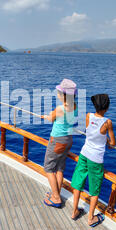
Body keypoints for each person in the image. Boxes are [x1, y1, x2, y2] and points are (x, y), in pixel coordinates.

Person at [70, 94, 116, 227]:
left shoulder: (88, 116)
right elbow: (112, 143)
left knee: (78, 182)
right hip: (96, 158)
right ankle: (90, 218)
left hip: (84, 153)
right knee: (94, 188)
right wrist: (106, 139)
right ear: (106, 108)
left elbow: (92, 131)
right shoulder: (107, 122)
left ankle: (74, 211)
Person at [41, 79, 78, 209]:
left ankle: (56, 198)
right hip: (68, 140)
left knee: (49, 168)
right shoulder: (75, 106)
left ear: (63, 95)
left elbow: (51, 118)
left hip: (57, 140)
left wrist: (47, 116)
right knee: (59, 168)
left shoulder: (60, 108)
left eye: (58, 92)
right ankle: (56, 192)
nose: (57, 94)